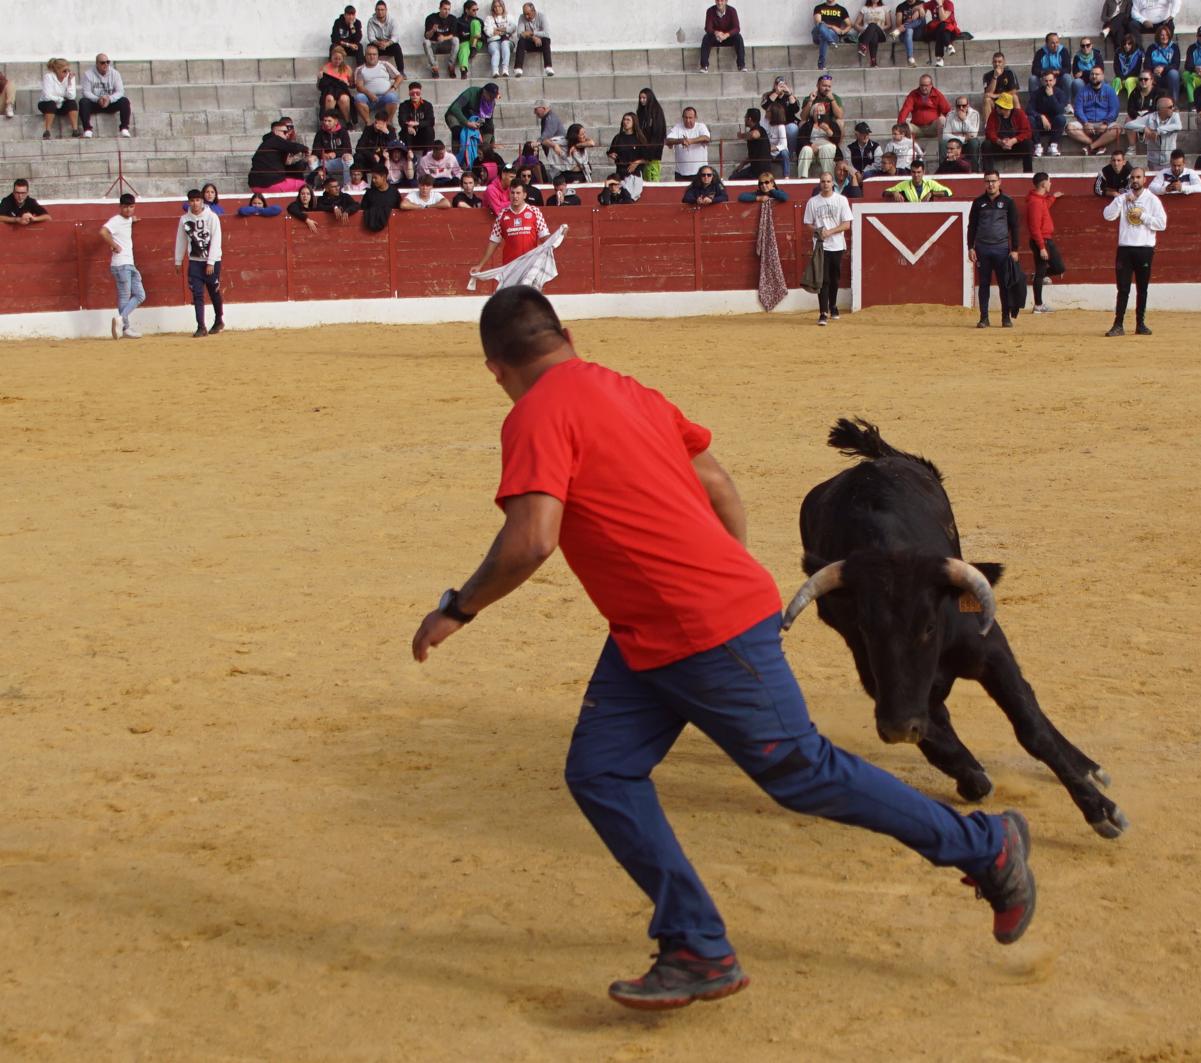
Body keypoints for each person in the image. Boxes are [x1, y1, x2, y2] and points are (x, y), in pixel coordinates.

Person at [415, 282, 1039, 1008]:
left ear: (495, 367)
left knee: (803, 770)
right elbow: (717, 482)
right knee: (601, 771)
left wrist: (458, 609)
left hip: (698, 627)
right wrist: (728, 568)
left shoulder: (533, 416)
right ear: (566, 335)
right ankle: (696, 944)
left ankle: (985, 845)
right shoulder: (628, 390)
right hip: (651, 632)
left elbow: (530, 540)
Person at [1102, 164, 1166, 338]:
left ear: (1144, 180)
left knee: (1142, 289)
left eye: (1139, 177)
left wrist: (1143, 216)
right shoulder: (1123, 198)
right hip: (1125, 248)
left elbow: (1162, 224)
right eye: (1133, 177)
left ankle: (1140, 323)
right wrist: (1121, 199)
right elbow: (1107, 215)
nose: (1135, 180)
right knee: (1123, 288)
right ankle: (1118, 324)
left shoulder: (1152, 200)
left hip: (1144, 248)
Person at [967, 169, 1019, 329]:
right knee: (984, 284)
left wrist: (1015, 249)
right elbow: (972, 227)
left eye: (993, 181)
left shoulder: (1008, 202)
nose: (990, 184)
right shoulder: (978, 202)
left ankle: (1005, 318)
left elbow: (1015, 227)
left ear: (999, 182)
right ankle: (984, 318)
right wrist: (970, 247)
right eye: (987, 181)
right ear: (984, 183)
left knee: (1005, 284)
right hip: (983, 249)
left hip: (1002, 249)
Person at [803, 169, 852, 324]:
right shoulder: (813, 202)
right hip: (821, 246)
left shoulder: (841, 200)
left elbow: (846, 225)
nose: (826, 184)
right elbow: (808, 224)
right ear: (820, 183)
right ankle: (823, 312)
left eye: (828, 181)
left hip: (837, 245)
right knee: (823, 279)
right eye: (823, 181)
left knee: (835, 278)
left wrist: (830, 231)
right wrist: (818, 231)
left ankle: (833, 306)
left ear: (833, 183)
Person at [174, 188, 223, 338]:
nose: (195, 204)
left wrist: (211, 262)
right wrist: (178, 260)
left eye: (197, 200)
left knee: (214, 291)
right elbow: (181, 240)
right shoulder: (184, 219)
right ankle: (201, 326)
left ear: (202, 201)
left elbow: (216, 240)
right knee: (198, 294)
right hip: (194, 261)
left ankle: (219, 319)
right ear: (188, 202)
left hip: (212, 262)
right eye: (192, 201)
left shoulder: (212, 217)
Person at [472, 179, 550, 273]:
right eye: (512, 193)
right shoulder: (502, 215)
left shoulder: (534, 211)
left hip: (530, 267)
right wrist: (480, 265)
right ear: (509, 194)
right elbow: (493, 242)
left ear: (524, 195)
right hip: (509, 268)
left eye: (518, 193)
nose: (515, 196)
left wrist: (559, 236)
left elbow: (545, 238)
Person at [100, 193, 143, 338]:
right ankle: (124, 327)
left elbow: (129, 220)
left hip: (127, 263)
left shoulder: (128, 219)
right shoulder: (116, 220)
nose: (129, 210)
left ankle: (122, 322)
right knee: (125, 296)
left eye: (131, 207)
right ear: (120, 207)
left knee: (140, 295)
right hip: (121, 264)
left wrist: (133, 220)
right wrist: (114, 245)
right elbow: (103, 232)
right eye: (125, 207)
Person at [1023, 171, 1061, 313]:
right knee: (1052, 269)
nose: (1051, 184)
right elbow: (1034, 228)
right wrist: (1041, 247)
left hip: (1045, 240)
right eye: (1049, 181)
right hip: (1042, 241)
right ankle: (1038, 305)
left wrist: (1054, 198)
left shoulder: (1039, 200)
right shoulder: (1035, 202)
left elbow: (1045, 206)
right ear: (1044, 184)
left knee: (1058, 267)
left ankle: (1039, 276)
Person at [1068, 67, 1122, 155]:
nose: (1094, 76)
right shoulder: (1082, 91)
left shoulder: (1110, 90)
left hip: (1104, 122)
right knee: (1069, 128)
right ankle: (1097, 145)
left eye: (1097, 74)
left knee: (1117, 129)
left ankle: (1091, 147)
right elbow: (1078, 109)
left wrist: (1105, 123)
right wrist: (1085, 122)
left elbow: (1114, 110)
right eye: (1092, 74)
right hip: (1086, 122)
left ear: (1102, 76)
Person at [248, 117, 309, 193]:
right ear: (276, 132)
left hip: (255, 185)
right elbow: (294, 147)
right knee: (304, 186)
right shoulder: (275, 139)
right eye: (284, 132)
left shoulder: (267, 142)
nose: (287, 134)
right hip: (271, 184)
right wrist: (305, 149)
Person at [1121, 94, 1180, 170]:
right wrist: (1144, 128)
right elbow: (1128, 125)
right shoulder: (1150, 117)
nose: (1173, 109)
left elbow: (1178, 126)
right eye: (1170, 107)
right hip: (1154, 161)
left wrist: (1158, 131)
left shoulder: (1175, 116)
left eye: (1173, 106)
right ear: (1161, 109)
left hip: (1170, 161)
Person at [79, 54, 133, 139]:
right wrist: (97, 99)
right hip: (95, 102)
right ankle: (87, 129)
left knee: (124, 101)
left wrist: (109, 99)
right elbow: (86, 92)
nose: (106, 65)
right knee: (83, 102)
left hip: (110, 102)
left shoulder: (115, 74)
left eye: (108, 62)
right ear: (97, 63)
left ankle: (124, 128)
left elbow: (120, 91)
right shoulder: (88, 74)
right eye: (102, 63)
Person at [353, 44, 403, 125]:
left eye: (374, 54)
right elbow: (359, 87)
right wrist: (370, 94)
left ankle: (388, 122)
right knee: (358, 97)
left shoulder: (385, 64)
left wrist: (393, 88)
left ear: (378, 55)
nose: (372, 57)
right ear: (365, 56)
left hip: (385, 97)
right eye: (369, 54)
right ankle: (368, 122)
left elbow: (399, 77)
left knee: (392, 96)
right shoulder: (360, 69)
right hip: (368, 99)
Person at [446, 81, 499, 157]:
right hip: (455, 115)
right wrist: (467, 123)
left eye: (494, 97)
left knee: (488, 129)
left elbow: (489, 121)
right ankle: (457, 158)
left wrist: (492, 140)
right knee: (457, 131)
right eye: (490, 96)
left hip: (472, 118)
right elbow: (455, 108)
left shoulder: (492, 103)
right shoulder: (471, 92)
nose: (492, 99)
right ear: (484, 92)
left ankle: (481, 154)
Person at [899, 74, 952, 148]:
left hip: (932, 128)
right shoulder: (913, 94)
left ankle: (942, 148)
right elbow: (905, 109)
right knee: (905, 126)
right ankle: (909, 153)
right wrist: (900, 125)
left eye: (926, 85)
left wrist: (953, 127)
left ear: (931, 85)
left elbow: (947, 111)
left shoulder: (938, 95)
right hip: (917, 128)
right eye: (922, 85)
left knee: (942, 120)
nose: (924, 88)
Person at [984, 93, 1033, 170]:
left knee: (1028, 144)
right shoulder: (993, 114)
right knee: (986, 145)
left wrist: (1013, 140)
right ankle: (988, 172)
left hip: (1015, 146)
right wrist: (999, 141)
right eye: (997, 106)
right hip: (999, 146)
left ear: (1006, 108)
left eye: (1000, 107)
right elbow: (989, 132)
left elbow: (1027, 132)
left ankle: (1028, 173)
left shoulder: (1019, 114)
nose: (997, 108)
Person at [1028, 71, 1071, 157]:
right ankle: (1038, 146)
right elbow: (1029, 109)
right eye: (1046, 81)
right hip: (1040, 123)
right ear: (1041, 81)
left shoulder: (1060, 93)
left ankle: (1053, 145)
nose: (1048, 83)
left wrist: (1051, 96)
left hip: (1053, 123)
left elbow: (1059, 110)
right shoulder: (1036, 93)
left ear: (1055, 81)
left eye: (1050, 80)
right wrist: (1041, 116)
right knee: (1030, 119)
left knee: (1061, 119)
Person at [665, 106, 713, 182]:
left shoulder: (701, 126)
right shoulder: (678, 127)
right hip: (681, 172)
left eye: (690, 118)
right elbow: (668, 140)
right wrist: (681, 141)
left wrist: (690, 141)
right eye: (685, 118)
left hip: (699, 172)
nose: (688, 120)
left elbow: (706, 137)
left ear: (695, 117)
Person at [38, 58, 80, 139]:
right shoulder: (49, 77)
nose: (67, 73)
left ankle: (75, 130)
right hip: (46, 103)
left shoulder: (69, 77)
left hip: (61, 104)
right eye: (64, 71)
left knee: (72, 103)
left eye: (68, 70)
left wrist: (70, 82)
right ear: (57, 70)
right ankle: (47, 131)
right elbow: (47, 96)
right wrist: (60, 99)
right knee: (51, 104)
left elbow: (71, 96)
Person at [797, 102, 842, 178]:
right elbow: (801, 139)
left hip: (826, 148)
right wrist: (811, 145)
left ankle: (829, 178)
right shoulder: (807, 125)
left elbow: (837, 140)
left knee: (826, 148)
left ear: (824, 113)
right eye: (816, 111)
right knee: (805, 149)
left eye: (821, 111)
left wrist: (827, 130)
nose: (818, 113)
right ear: (812, 113)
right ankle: (802, 178)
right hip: (812, 150)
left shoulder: (831, 123)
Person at [729, 107, 776, 180]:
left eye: (745, 117)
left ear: (749, 119)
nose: (745, 119)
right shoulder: (757, 129)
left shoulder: (760, 129)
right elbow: (754, 154)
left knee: (733, 178)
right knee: (733, 176)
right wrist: (742, 164)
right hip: (755, 168)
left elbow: (754, 135)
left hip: (761, 171)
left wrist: (742, 135)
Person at [701, 1, 748, 73]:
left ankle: (741, 65)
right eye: (718, 0)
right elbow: (708, 28)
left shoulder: (732, 11)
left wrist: (726, 35)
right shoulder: (710, 11)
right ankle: (704, 66)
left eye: (722, 0)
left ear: (726, 1)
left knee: (738, 37)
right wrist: (716, 33)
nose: (719, 3)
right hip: (716, 38)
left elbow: (736, 28)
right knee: (706, 38)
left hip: (728, 38)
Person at [514, 3, 555, 77]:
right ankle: (518, 68)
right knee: (521, 41)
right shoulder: (522, 17)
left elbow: (546, 33)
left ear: (534, 11)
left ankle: (548, 67)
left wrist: (531, 33)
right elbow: (520, 34)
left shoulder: (542, 16)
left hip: (541, 44)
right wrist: (533, 37)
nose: (526, 16)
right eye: (525, 14)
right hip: (529, 43)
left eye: (528, 14)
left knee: (546, 40)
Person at [637, 89, 669, 182]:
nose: (641, 100)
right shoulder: (640, 112)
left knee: (652, 179)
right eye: (640, 98)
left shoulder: (656, 112)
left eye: (644, 98)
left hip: (653, 155)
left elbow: (658, 133)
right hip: (642, 153)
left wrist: (650, 153)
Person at [425, 0, 463, 78]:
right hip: (434, 44)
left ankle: (451, 66)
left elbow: (455, 34)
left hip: (447, 45)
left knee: (456, 40)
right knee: (425, 42)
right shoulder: (431, 18)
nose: (447, 11)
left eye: (449, 9)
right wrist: (432, 30)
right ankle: (434, 67)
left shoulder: (452, 18)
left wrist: (444, 38)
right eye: (445, 9)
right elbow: (427, 36)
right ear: (440, 8)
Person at [366, 1, 406, 72]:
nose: (380, 12)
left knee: (397, 47)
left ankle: (401, 71)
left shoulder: (392, 21)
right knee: (369, 47)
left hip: (389, 45)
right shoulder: (371, 21)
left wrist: (386, 44)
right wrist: (379, 43)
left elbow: (395, 37)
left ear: (386, 10)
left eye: (382, 10)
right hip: (378, 45)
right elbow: (371, 37)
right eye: (378, 10)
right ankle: (368, 70)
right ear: (375, 10)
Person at [884, 158, 951, 201]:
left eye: (919, 172)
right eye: (914, 172)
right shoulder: (904, 184)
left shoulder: (930, 183)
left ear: (923, 172)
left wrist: (932, 193)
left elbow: (948, 192)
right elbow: (884, 193)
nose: (916, 175)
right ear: (910, 172)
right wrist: (894, 192)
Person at [942, 95, 982, 163]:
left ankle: (974, 170)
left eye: (963, 105)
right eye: (958, 106)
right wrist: (964, 138)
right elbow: (945, 135)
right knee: (942, 143)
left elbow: (974, 134)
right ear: (955, 106)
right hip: (954, 144)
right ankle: (944, 169)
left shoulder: (975, 114)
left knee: (974, 142)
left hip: (969, 144)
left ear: (968, 106)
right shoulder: (950, 115)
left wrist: (964, 119)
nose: (961, 108)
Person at [813, 2, 853, 71]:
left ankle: (821, 64)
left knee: (824, 36)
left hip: (833, 35)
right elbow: (818, 22)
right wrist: (832, 26)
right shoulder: (818, 7)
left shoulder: (841, 9)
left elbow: (849, 24)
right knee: (821, 26)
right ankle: (830, 40)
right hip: (817, 34)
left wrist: (843, 32)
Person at [397, 83, 436, 150]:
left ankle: (427, 155)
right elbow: (402, 120)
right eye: (412, 93)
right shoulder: (404, 105)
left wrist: (417, 123)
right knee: (406, 131)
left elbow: (431, 121)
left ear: (420, 93)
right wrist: (408, 127)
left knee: (429, 130)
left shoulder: (427, 105)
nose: (415, 95)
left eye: (417, 93)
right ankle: (408, 155)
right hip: (409, 136)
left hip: (422, 135)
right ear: (409, 94)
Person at [855, 0, 892, 67]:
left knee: (873, 25)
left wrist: (876, 28)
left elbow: (889, 25)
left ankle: (864, 46)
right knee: (873, 34)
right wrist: (865, 30)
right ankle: (873, 61)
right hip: (865, 34)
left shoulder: (885, 8)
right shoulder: (864, 8)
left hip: (880, 33)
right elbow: (856, 24)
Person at [484, 0, 516, 78]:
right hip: (494, 41)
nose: (497, 8)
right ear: (493, 8)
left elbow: (513, 28)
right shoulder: (489, 18)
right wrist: (504, 30)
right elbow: (487, 31)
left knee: (505, 43)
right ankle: (495, 71)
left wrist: (498, 30)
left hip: (507, 42)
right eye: (495, 7)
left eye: (499, 6)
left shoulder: (509, 16)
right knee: (495, 52)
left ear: (503, 7)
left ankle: (505, 69)